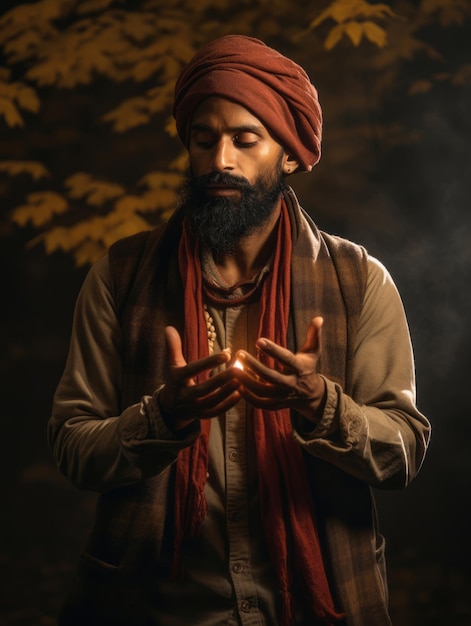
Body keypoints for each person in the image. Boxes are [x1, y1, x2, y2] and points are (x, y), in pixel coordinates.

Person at [49, 34, 431, 626]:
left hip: (314, 607)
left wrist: (323, 406)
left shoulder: (360, 283)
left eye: (244, 140)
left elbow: (404, 453)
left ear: (290, 154)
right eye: (204, 140)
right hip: (158, 609)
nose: (221, 160)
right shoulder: (120, 277)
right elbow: (74, 448)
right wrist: (161, 418)